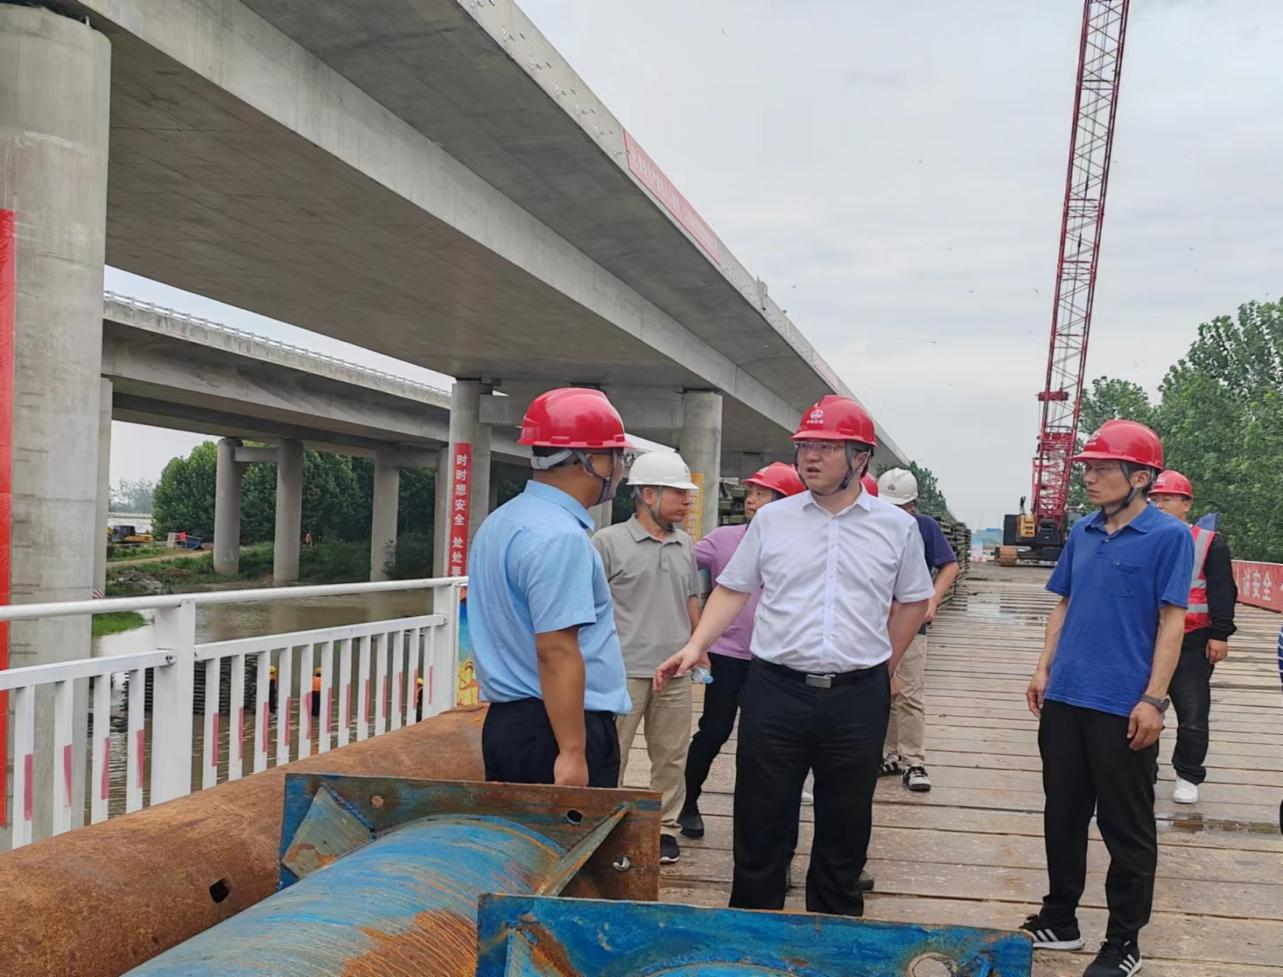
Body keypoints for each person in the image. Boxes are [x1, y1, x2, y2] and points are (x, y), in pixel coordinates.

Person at [656, 394, 933, 917]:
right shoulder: (774, 520)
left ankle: (832, 931)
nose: (810, 456)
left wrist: (884, 667)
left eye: (826, 447)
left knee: (845, 824)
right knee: (760, 819)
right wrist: (696, 645)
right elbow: (733, 588)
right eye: (805, 446)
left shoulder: (896, 528)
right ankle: (754, 930)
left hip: (857, 698)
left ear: (859, 458)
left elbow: (913, 600)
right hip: (775, 690)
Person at [1022, 420, 1193, 977]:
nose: (1089, 478)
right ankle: (1060, 918)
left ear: (1140, 477)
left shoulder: (1169, 536)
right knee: (1063, 813)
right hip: (1066, 696)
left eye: (1101, 468)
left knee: (1127, 826)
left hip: (1123, 704)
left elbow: (1172, 621)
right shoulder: (1083, 531)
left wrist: (1154, 700)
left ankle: (1124, 942)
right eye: (1087, 468)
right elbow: (1064, 603)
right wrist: (1044, 667)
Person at [468, 387, 633, 788]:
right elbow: (556, 650)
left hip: (509, 726)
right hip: (558, 730)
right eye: (618, 457)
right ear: (591, 461)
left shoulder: (502, 521)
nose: (620, 469)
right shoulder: (560, 538)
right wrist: (573, 752)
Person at [678, 462, 806, 840]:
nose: (750, 500)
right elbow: (678, 564)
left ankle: (758, 821)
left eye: (761, 494)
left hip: (776, 661)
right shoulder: (723, 539)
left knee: (764, 744)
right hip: (728, 656)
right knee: (714, 732)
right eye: (750, 493)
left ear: (784, 501)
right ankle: (686, 802)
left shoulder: (801, 544)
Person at [592, 451, 703, 864]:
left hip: (675, 670)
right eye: (678, 493)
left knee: (671, 756)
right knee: (612, 755)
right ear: (648, 495)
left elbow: (691, 598)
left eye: (687, 495)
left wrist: (699, 647)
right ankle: (606, 828)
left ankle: (664, 829)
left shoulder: (684, 544)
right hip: (621, 670)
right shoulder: (607, 543)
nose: (686, 501)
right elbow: (590, 607)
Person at [1150, 469, 1236, 804]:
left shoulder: (1208, 543)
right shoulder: (1139, 538)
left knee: (1193, 715)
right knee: (1141, 709)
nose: (1159, 505)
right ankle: (1142, 772)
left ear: (1186, 504)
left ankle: (1188, 775)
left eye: (1167, 499)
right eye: (1154, 499)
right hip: (1146, 640)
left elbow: (1223, 591)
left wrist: (1220, 634)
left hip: (1192, 641)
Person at [876, 468, 959, 792]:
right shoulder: (868, 524)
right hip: (871, 622)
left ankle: (913, 761)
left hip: (909, 623)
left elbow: (949, 564)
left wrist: (932, 600)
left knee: (909, 692)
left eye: (901, 508)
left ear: (912, 505)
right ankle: (888, 754)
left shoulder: (924, 527)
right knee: (880, 691)